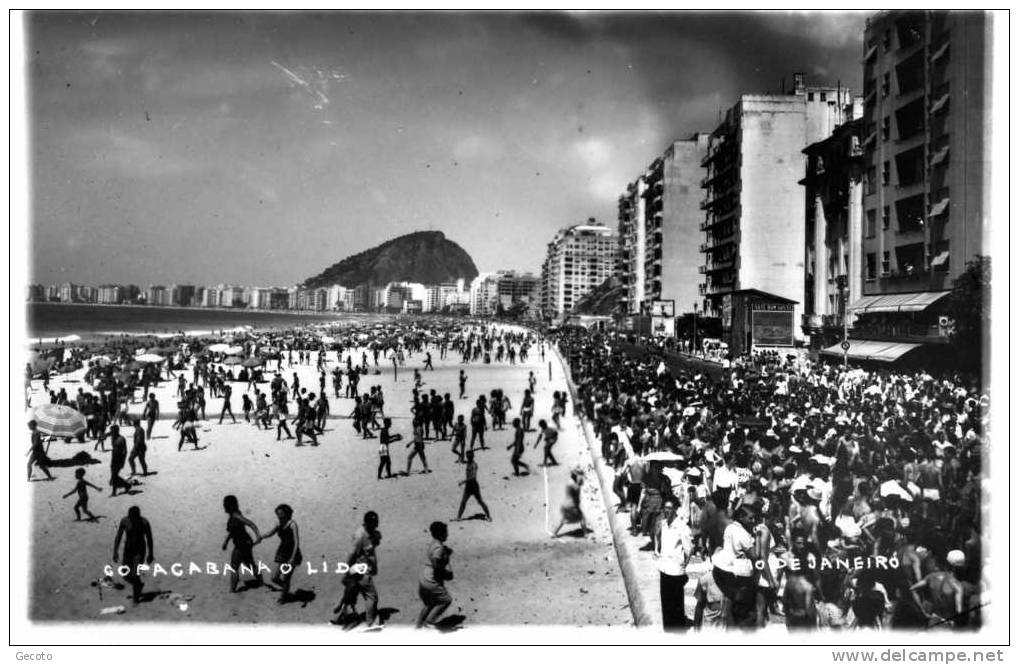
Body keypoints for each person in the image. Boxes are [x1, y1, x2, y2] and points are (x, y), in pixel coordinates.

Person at [333, 511, 382, 629]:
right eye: (374, 523)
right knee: (371, 596)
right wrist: (346, 571)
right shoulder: (360, 535)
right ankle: (369, 623)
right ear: (367, 523)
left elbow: (374, 543)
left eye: (377, 523)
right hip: (360, 571)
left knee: (351, 595)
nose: (376, 526)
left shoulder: (371, 533)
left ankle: (342, 618)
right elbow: (352, 554)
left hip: (360, 570)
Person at [655, 499, 693, 631]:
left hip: (676, 570)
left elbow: (688, 549)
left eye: (670, 508)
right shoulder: (663, 524)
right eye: (665, 508)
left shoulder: (682, 527)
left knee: (676, 602)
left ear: (675, 510)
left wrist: (683, 565)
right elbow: (659, 541)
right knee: (666, 601)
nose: (667, 510)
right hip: (664, 568)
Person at [259, 503, 302, 604]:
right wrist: (262, 536)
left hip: (292, 553)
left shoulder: (292, 524)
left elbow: (296, 542)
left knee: (286, 577)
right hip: (282, 551)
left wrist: (292, 557)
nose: (279, 516)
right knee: (274, 577)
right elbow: (271, 533)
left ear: (287, 514)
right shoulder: (278, 523)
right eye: (278, 513)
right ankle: (286, 589)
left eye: (281, 514)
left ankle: (283, 597)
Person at [221, 495, 264, 593]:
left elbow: (251, 524)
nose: (223, 506)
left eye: (225, 504)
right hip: (246, 543)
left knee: (234, 566)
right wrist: (226, 542)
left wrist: (258, 536)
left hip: (242, 544)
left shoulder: (236, 516)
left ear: (228, 506)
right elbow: (232, 531)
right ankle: (261, 583)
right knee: (249, 564)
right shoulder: (234, 515)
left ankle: (232, 590)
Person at [113, 506, 154, 604]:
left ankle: (136, 598)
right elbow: (119, 536)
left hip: (139, 551)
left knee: (135, 574)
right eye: (131, 517)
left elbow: (149, 539)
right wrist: (115, 551)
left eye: (135, 517)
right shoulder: (125, 521)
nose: (133, 519)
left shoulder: (144, 523)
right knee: (126, 574)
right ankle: (139, 585)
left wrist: (150, 554)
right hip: (128, 550)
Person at [416, 521, 454, 629]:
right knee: (446, 600)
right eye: (446, 532)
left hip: (423, 577)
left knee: (430, 603)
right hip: (430, 581)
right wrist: (447, 573)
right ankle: (429, 622)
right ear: (441, 534)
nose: (447, 534)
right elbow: (437, 565)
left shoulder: (434, 543)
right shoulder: (439, 549)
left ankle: (418, 627)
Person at [455, 450, 492, 521]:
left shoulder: (474, 465)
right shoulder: (468, 463)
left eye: (469, 456)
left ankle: (489, 516)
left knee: (480, 501)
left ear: (471, 457)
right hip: (468, 486)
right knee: (463, 501)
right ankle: (458, 517)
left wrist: (463, 481)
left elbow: (473, 477)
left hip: (474, 486)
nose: (468, 458)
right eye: (467, 456)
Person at [551, 466, 588, 537]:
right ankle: (585, 534)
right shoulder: (572, 484)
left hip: (565, 504)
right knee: (582, 518)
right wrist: (579, 482)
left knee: (563, 520)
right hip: (572, 505)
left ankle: (554, 533)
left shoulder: (570, 481)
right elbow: (577, 488)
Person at [108, 425, 134, 496]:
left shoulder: (121, 439)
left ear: (117, 431)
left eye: (113, 431)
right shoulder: (113, 437)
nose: (112, 433)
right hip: (113, 458)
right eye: (111, 431)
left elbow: (125, 451)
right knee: (114, 476)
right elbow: (107, 434)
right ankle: (127, 485)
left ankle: (114, 492)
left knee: (114, 476)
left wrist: (123, 462)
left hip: (119, 459)